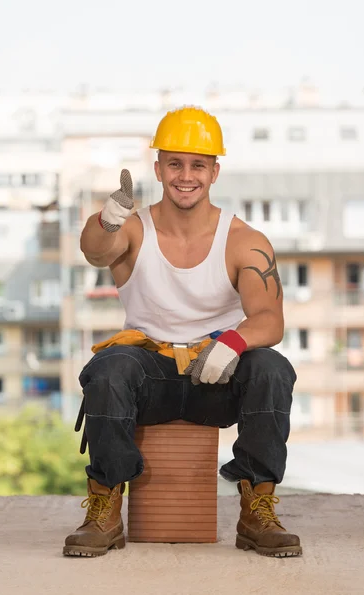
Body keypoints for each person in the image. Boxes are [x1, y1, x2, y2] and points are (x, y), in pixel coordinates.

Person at [63, 106, 302, 559]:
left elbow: (270, 320)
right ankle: (105, 505)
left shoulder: (243, 240)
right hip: (147, 373)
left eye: (198, 165)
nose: (185, 175)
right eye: (175, 163)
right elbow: (96, 254)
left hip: (218, 373)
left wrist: (231, 342)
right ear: (159, 168)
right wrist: (107, 221)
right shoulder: (133, 229)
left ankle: (257, 509)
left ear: (214, 171)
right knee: (108, 369)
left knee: (271, 368)